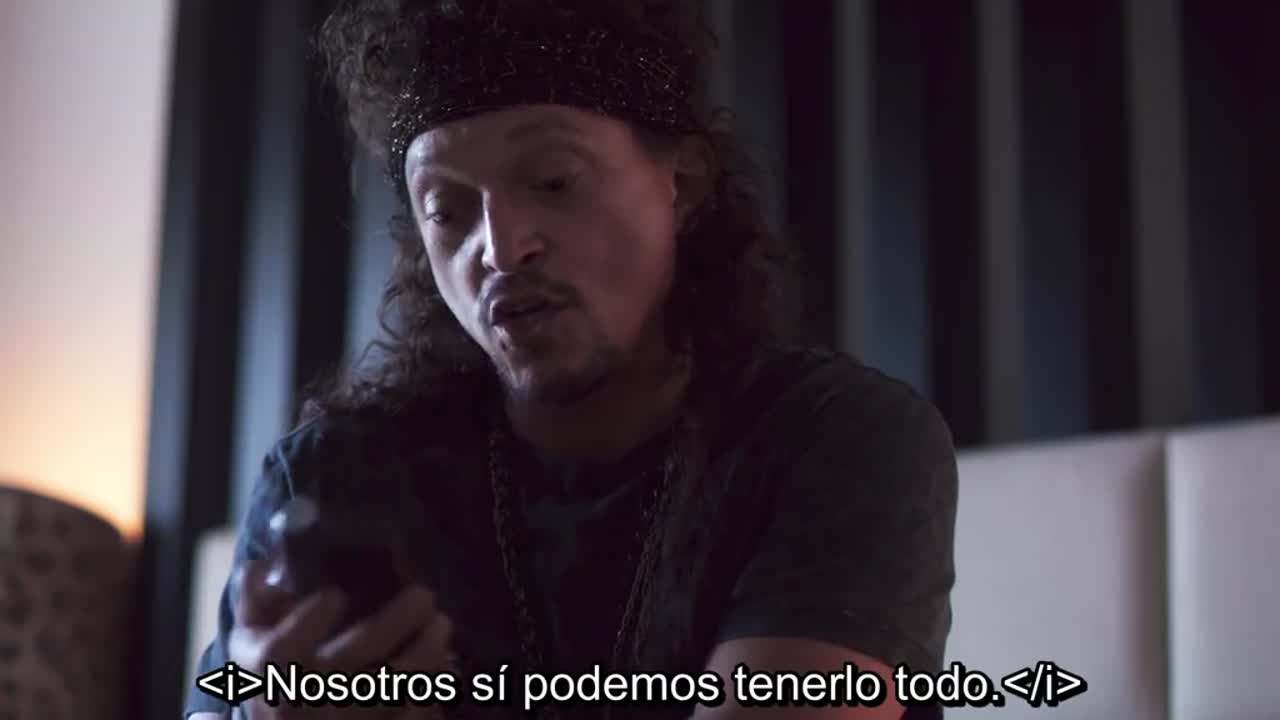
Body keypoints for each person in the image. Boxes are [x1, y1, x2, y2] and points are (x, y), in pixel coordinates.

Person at [186, 0, 958, 718]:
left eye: (553, 182)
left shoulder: (836, 438)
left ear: (683, 184)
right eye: (448, 210)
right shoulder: (334, 476)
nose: (500, 247)